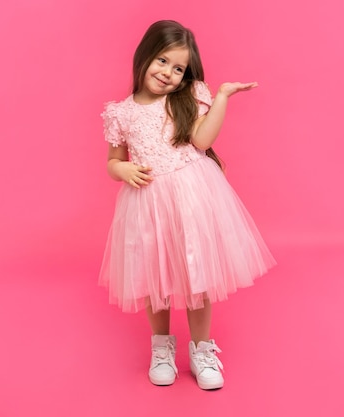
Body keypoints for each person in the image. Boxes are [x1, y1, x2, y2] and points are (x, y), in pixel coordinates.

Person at [99, 20, 276, 390]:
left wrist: (223, 96)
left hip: (191, 198)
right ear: (145, 56)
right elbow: (113, 161)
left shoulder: (186, 97)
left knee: (199, 276)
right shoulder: (121, 113)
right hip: (148, 203)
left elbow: (202, 137)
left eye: (178, 68)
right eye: (162, 61)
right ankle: (161, 347)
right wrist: (124, 168)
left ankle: (201, 349)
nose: (168, 73)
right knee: (154, 277)